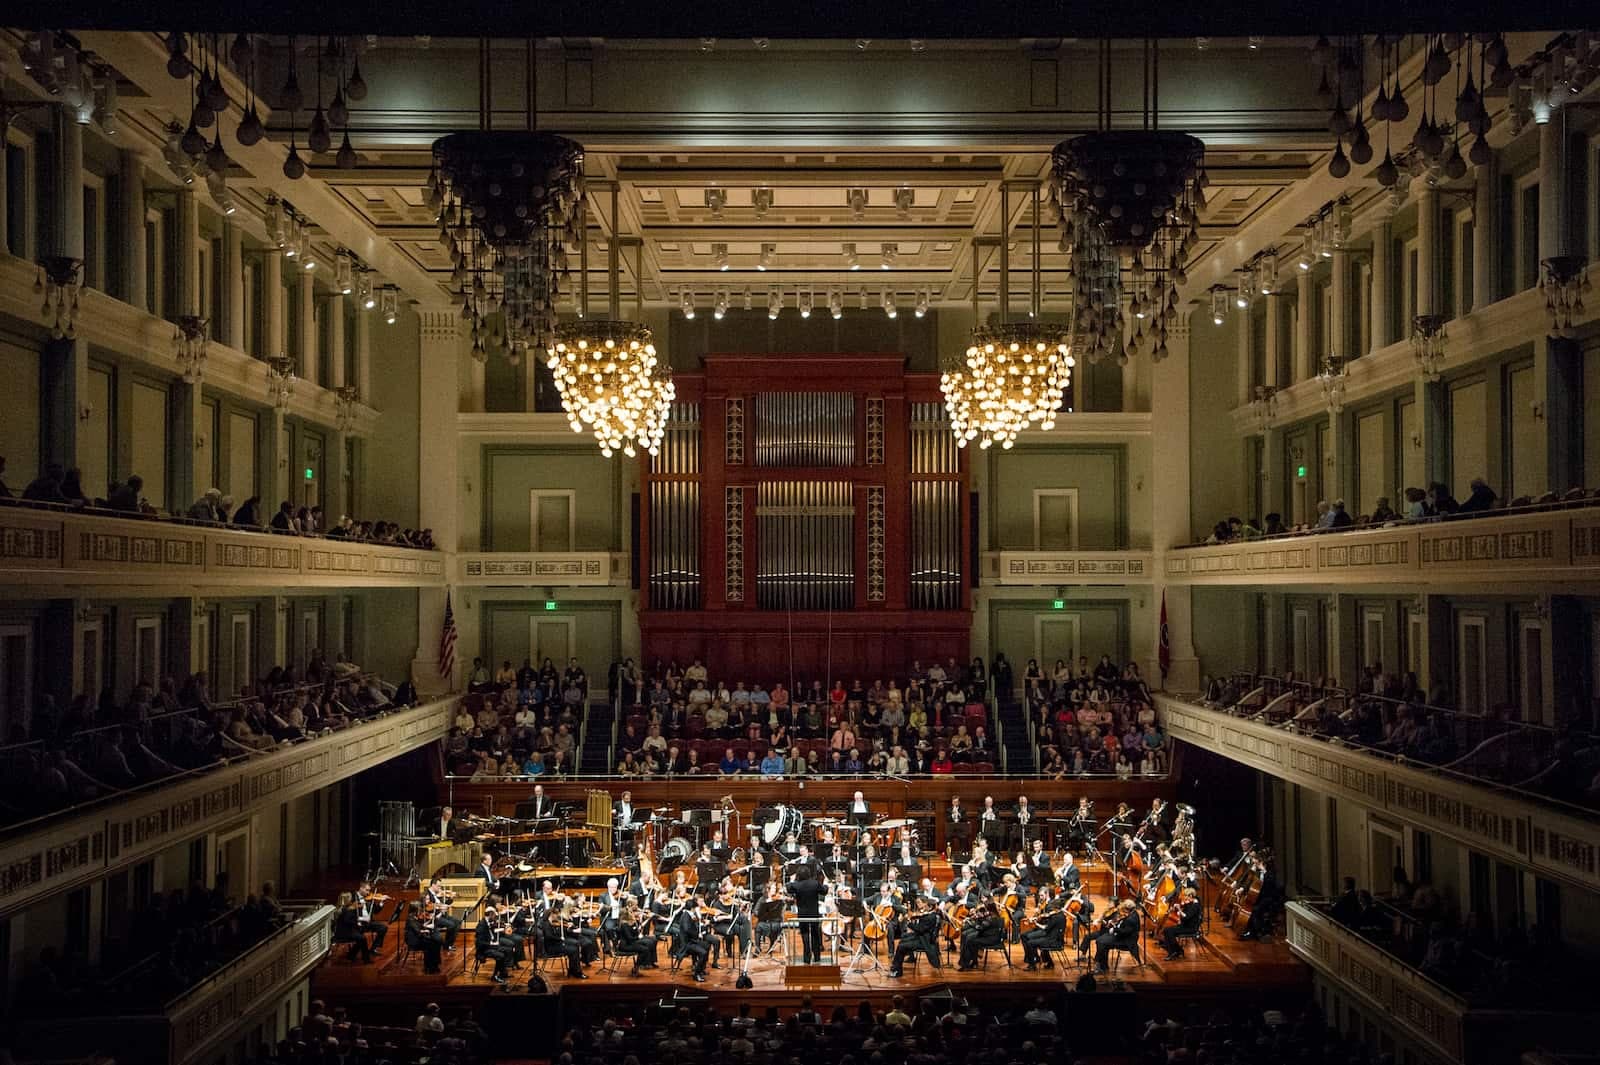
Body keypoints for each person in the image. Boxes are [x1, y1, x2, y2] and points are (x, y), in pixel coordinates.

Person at [888, 896, 942, 977]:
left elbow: (920, 929)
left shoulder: (930, 917)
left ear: (930, 907)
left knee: (902, 946)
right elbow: (921, 925)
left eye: (926, 906)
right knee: (903, 939)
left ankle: (897, 970)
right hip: (923, 938)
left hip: (925, 942)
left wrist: (909, 923)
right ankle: (897, 965)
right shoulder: (932, 915)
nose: (924, 908)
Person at [789, 866, 826, 964]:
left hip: (802, 914)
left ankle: (807, 958)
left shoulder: (797, 885)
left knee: (805, 935)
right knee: (815, 934)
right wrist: (826, 885)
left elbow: (788, 888)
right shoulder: (815, 883)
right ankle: (817, 957)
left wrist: (792, 880)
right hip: (814, 913)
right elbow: (824, 891)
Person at [1094, 898, 1141, 971]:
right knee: (1101, 941)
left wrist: (1114, 929)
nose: (1123, 912)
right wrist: (1115, 925)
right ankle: (1102, 965)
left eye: (1124, 909)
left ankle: (1101, 965)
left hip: (1126, 941)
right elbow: (1124, 925)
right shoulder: (1133, 913)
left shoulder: (1131, 919)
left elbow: (1124, 932)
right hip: (1123, 937)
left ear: (1128, 909)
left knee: (1101, 942)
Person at [1022, 895, 1066, 970]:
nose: (1052, 909)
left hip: (1052, 941)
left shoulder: (1055, 918)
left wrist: (1036, 924)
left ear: (1056, 908)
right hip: (1056, 939)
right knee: (1033, 940)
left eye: (1053, 907)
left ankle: (1032, 965)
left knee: (1030, 943)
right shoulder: (1061, 915)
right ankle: (1049, 962)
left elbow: (1046, 928)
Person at [957, 901, 1003, 970]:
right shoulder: (993, 916)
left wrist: (972, 923)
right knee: (970, 940)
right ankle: (972, 962)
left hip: (990, 939)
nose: (986, 912)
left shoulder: (991, 918)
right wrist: (980, 918)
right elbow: (983, 926)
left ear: (990, 910)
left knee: (970, 941)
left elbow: (980, 928)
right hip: (990, 936)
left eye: (987, 910)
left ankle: (966, 964)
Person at [1160, 887, 1203, 960]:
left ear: (1191, 896)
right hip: (1184, 926)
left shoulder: (1195, 906)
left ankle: (1174, 951)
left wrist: (1179, 910)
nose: (1184, 898)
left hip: (1190, 928)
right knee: (1166, 930)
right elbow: (1184, 910)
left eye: (1186, 896)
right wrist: (1177, 907)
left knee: (1169, 931)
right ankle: (1177, 950)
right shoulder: (1190, 903)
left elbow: (1186, 916)